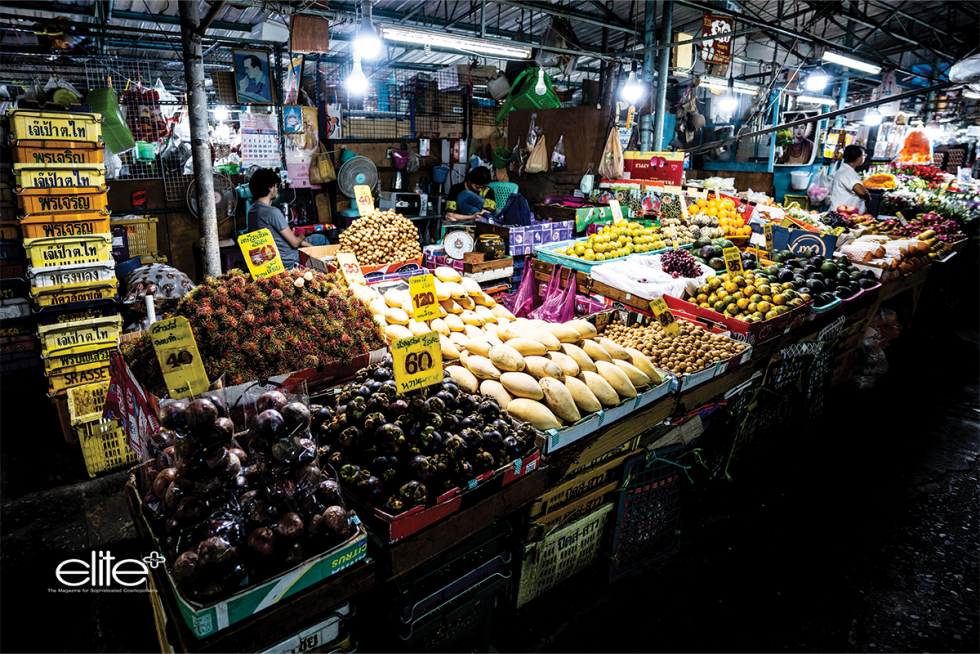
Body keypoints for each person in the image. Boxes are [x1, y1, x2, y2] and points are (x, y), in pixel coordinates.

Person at [247, 168, 327, 269]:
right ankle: (328, 271)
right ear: (270, 188)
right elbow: (294, 243)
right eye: (276, 186)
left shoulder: (252, 211)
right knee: (321, 239)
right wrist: (301, 236)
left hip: (269, 258)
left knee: (312, 241)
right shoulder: (272, 212)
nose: (277, 189)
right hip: (289, 260)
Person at [829, 145, 871, 213]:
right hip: (843, 213)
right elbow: (861, 192)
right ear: (859, 158)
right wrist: (868, 197)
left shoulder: (844, 170)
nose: (865, 157)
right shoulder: (848, 172)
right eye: (864, 155)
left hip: (842, 211)